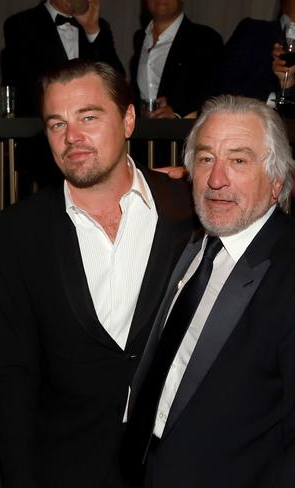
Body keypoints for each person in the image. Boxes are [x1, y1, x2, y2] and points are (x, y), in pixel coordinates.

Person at [0, 58, 195, 488]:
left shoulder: (191, 210)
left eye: (89, 117)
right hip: (65, 467)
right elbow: (12, 377)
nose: (71, 138)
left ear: (129, 118)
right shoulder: (17, 231)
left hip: (176, 463)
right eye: (56, 124)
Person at [122, 95, 295, 488]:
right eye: (205, 159)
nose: (216, 179)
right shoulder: (185, 243)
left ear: (276, 181)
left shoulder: (287, 270)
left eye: (238, 160)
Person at [2, 0, 125, 117]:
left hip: (89, 121)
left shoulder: (98, 25)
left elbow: (117, 80)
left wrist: (92, 30)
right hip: (42, 125)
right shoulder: (21, 23)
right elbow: (25, 84)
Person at [130, 0, 223, 119]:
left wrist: (178, 115)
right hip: (142, 134)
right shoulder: (140, 38)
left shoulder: (205, 40)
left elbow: (215, 96)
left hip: (185, 135)